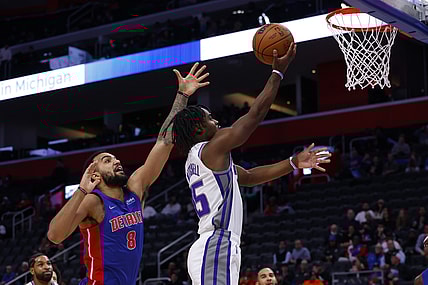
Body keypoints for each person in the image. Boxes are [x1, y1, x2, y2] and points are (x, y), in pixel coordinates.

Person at [168, 44, 330, 285]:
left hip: (219, 245)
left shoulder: (201, 158)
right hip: (216, 243)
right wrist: (278, 74)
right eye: (210, 118)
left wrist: (292, 162)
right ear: (199, 129)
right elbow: (253, 116)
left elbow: (250, 176)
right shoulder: (212, 148)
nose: (217, 121)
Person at [47, 62, 210, 285]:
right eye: (107, 160)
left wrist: (182, 95)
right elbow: (54, 236)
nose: (117, 161)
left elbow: (164, 141)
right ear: (94, 173)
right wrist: (82, 190)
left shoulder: (135, 188)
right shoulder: (93, 202)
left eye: (116, 158)